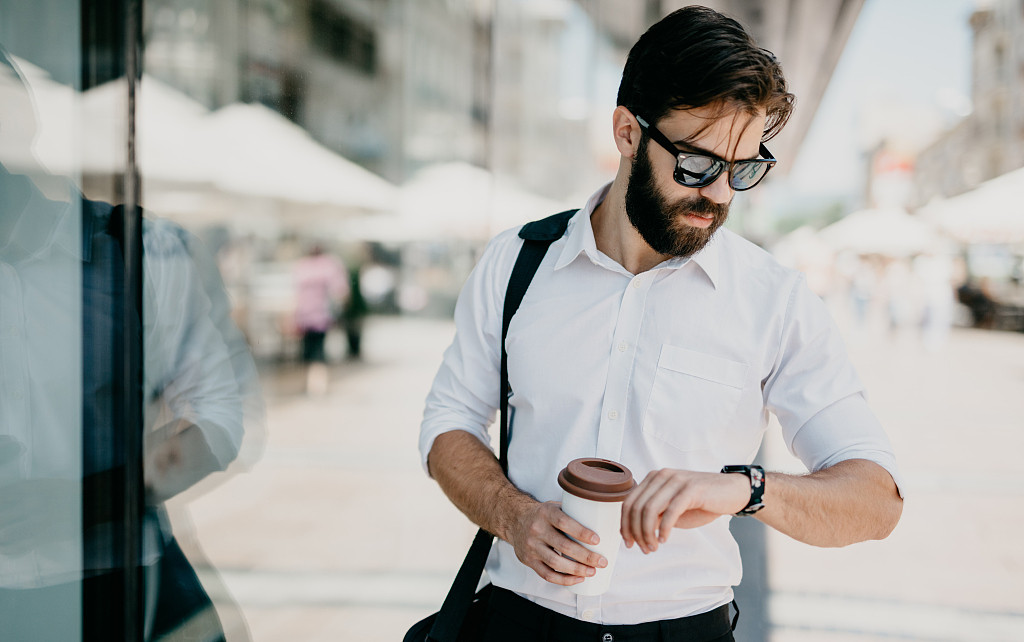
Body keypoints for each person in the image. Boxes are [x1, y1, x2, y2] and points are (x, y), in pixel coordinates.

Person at [419, 7, 903, 640]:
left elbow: (876, 499)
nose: (721, 195)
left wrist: (744, 489)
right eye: (698, 165)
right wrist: (514, 516)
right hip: (519, 623)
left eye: (744, 169)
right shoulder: (516, 263)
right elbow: (447, 422)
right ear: (626, 133)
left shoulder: (773, 299)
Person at [0, 47, 261, 640]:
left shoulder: (139, 252)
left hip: (117, 580)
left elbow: (223, 416)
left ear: (21, 131)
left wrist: (74, 505)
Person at [292, 244, 349, 393]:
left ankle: (311, 384)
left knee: (308, 351)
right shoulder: (329, 265)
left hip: (304, 316)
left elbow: (295, 292)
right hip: (320, 316)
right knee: (318, 351)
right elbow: (341, 291)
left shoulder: (302, 266)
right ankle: (317, 386)